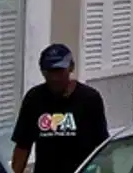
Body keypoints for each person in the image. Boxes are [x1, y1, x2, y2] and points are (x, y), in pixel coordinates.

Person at [11, 43, 111, 173]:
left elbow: (103, 148)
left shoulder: (89, 99)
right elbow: (22, 147)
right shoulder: (34, 99)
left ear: (71, 68)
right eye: (49, 72)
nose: (54, 78)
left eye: (59, 71)